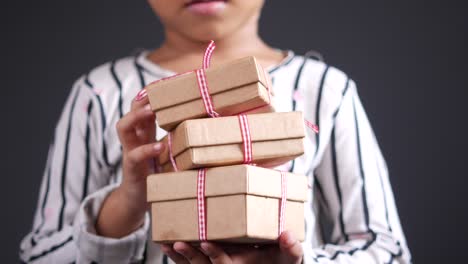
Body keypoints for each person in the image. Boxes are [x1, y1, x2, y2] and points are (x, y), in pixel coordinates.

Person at [19, 0, 411, 263]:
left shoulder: (325, 90)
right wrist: (126, 204)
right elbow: (40, 254)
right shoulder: (99, 93)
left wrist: (298, 259)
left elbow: (387, 249)